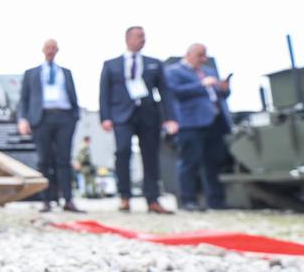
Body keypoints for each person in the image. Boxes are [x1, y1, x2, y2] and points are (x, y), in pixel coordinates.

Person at [99, 26, 179, 214]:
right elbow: (104, 93)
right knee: (122, 152)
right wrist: (105, 117)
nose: (142, 40)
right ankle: (124, 197)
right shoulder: (111, 65)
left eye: (144, 37)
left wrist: (170, 118)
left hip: (148, 115)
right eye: (139, 36)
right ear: (127, 39)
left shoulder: (154, 63)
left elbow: (165, 91)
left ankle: (153, 199)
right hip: (121, 116)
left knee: (150, 156)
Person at [17, 39, 84, 213]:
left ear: (57, 50)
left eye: (53, 48)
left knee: (64, 160)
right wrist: (23, 119)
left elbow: (73, 95)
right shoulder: (31, 73)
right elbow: (24, 99)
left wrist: (75, 116)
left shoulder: (66, 73)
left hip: (64, 117)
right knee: (44, 160)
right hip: (41, 118)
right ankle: (46, 200)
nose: (50, 51)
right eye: (48, 47)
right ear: (43, 50)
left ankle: (68, 200)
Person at [165, 43, 232, 211]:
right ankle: (188, 200)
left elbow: (220, 95)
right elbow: (174, 92)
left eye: (205, 55)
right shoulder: (174, 71)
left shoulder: (209, 71)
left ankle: (216, 200)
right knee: (190, 162)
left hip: (215, 122)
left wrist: (225, 89)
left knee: (214, 162)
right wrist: (202, 84)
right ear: (189, 54)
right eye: (200, 55)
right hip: (191, 123)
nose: (204, 59)